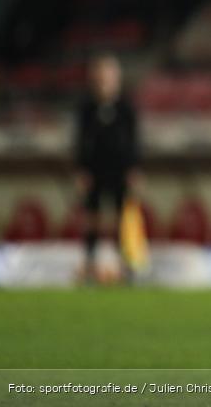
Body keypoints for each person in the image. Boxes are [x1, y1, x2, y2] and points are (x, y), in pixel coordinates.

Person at [74, 53, 140, 282]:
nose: (104, 80)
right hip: (94, 170)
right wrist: (81, 170)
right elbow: (80, 141)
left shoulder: (126, 108)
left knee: (123, 217)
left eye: (108, 75)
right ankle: (90, 262)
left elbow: (134, 142)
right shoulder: (87, 109)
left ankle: (126, 263)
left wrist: (134, 169)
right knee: (92, 216)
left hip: (120, 170)